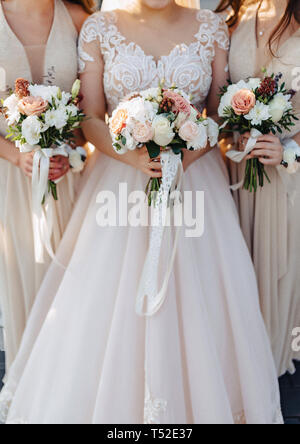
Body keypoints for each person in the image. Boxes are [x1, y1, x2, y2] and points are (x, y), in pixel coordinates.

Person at [0, 0, 282, 424]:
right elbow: (91, 116)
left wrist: (186, 155)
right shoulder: (99, 27)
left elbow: (220, 113)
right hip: (118, 178)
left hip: (195, 184)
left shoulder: (212, 27)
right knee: (110, 297)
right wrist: (133, 159)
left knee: (202, 294)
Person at [0, 0, 94, 371]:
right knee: (24, 278)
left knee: (74, 282)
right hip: (10, 177)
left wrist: (72, 148)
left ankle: (70, 379)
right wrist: (15, 156)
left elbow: (96, 108)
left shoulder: (78, 19)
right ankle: (29, 383)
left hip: (69, 175)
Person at [216, 0, 300, 377]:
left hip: (287, 176)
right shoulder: (234, 16)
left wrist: (288, 151)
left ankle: (267, 377)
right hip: (234, 177)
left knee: (277, 273)